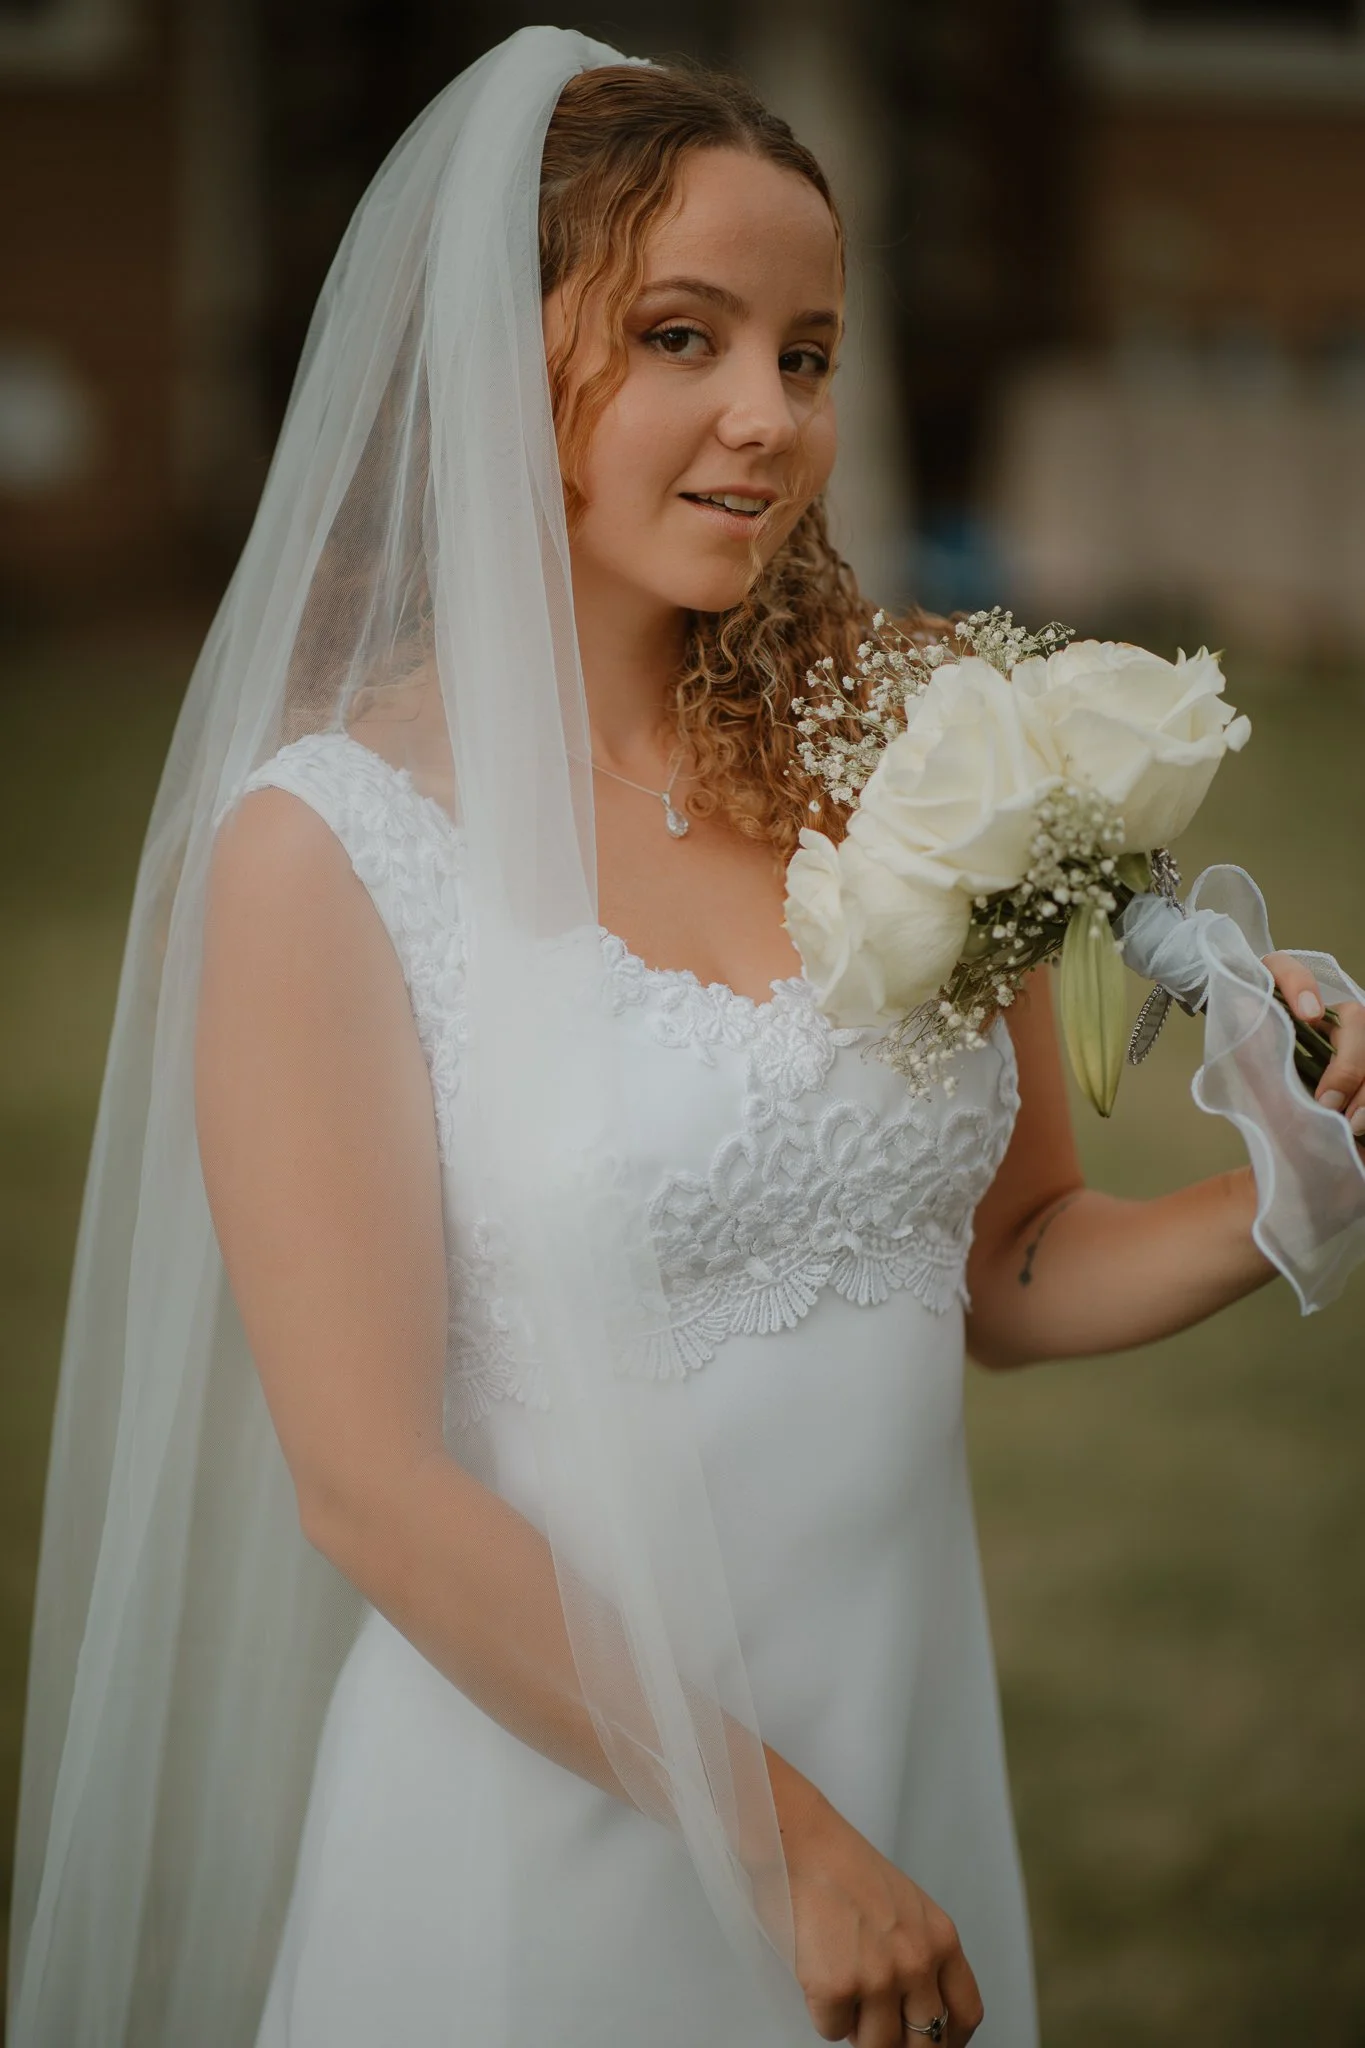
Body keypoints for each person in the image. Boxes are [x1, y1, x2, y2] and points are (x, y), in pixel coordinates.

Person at [9, 27, 1364, 2048]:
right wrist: (788, 1842)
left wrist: (1299, 1176)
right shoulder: (321, 848)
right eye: (679, 337)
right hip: (547, 1850)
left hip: (896, 1772)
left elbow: (996, 1261)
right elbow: (369, 1486)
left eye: (806, 354)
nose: (766, 417)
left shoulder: (908, 758)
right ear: (500, 368)